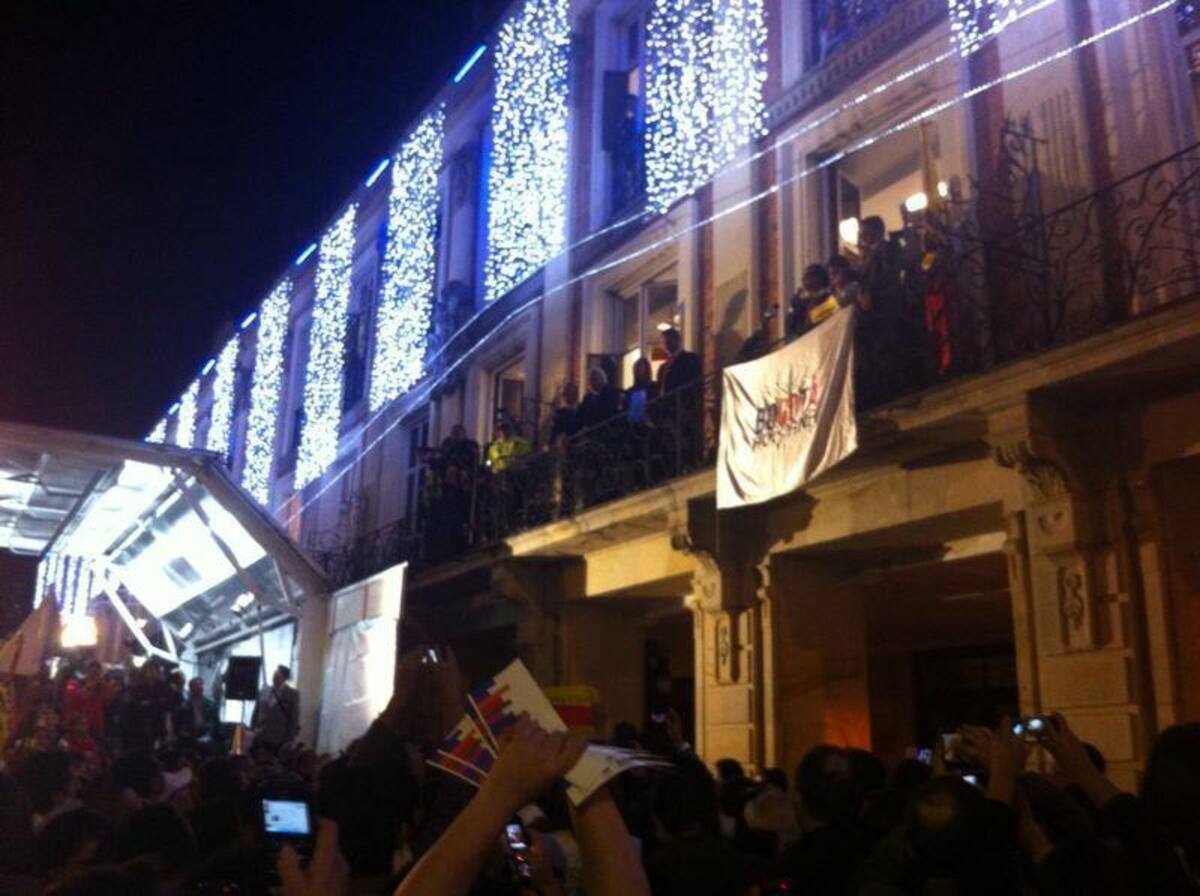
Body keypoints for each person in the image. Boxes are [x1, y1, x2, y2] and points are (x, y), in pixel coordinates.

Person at [251, 665, 299, 753]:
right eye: (274, 675)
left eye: (278, 676)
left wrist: (290, 738)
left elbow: (294, 717)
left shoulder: (291, 694)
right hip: (260, 734)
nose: (275, 678)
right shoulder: (264, 690)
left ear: (285, 678)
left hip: (279, 737)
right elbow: (256, 710)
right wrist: (253, 728)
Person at [787, 264, 841, 338]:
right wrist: (793, 307)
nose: (805, 281)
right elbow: (790, 324)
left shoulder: (831, 299)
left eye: (809, 278)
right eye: (805, 278)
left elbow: (811, 321)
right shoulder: (799, 300)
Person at [174, 677, 222, 751]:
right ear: (191, 688)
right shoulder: (185, 704)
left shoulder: (210, 704)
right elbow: (180, 722)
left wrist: (210, 733)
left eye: (201, 684)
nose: (200, 687)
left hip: (206, 732)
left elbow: (216, 723)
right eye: (196, 685)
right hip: (191, 733)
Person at [655, 328, 701, 398]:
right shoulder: (663, 367)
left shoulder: (690, 358)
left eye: (669, 341)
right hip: (667, 403)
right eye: (663, 343)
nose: (666, 345)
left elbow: (694, 383)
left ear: (678, 341)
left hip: (683, 401)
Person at [577, 367, 621, 432]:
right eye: (591, 380)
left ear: (603, 379)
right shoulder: (587, 397)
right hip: (588, 431)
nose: (593, 382)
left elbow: (608, 412)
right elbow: (582, 414)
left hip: (605, 430)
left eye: (595, 379)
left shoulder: (611, 394)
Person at [624, 358, 657, 425]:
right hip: (632, 424)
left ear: (646, 369)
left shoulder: (654, 387)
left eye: (640, 367)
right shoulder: (629, 391)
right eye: (636, 368)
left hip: (649, 422)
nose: (637, 370)